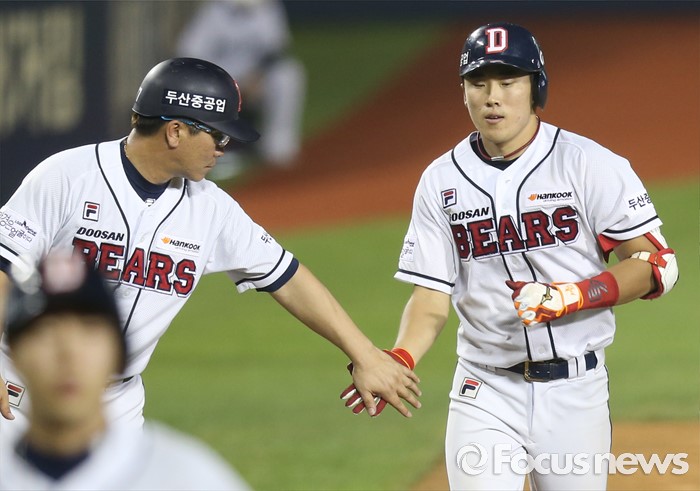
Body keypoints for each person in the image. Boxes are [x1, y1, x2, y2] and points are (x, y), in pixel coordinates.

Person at [0, 57, 420, 440]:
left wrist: (365, 354)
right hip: (20, 390)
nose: (224, 148)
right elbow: (4, 266)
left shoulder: (211, 207)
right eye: (217, 135)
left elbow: (287, 277)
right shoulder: (67, 177)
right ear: (175, 131)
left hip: (115, 406)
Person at [342, 22, 678, 490]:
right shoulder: (441, 180)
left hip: (575, 392)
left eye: (508, 81)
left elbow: (657, 265)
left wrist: (572, 296)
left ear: (536, 87)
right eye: (478, 83)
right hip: (485, 389)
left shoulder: (587, 163)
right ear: (463, 92)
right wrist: (400, 356)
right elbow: (431, 296)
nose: (492, 98)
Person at [0, 252, 250, 490]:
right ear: (15, 352)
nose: (69, 354)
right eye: (46, 331)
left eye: (89, 330)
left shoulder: (187, 479)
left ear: (118, 353)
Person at [177, 0, 305, 179]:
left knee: (288, 74)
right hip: (218, 76)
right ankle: (201, 149)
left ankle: (278, 148)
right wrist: (224, 82)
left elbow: (276, 51)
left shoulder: (268, 8)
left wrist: (257, 77)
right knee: (193, 83)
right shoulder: (214, 11)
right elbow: (190, 52)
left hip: (256, 77)